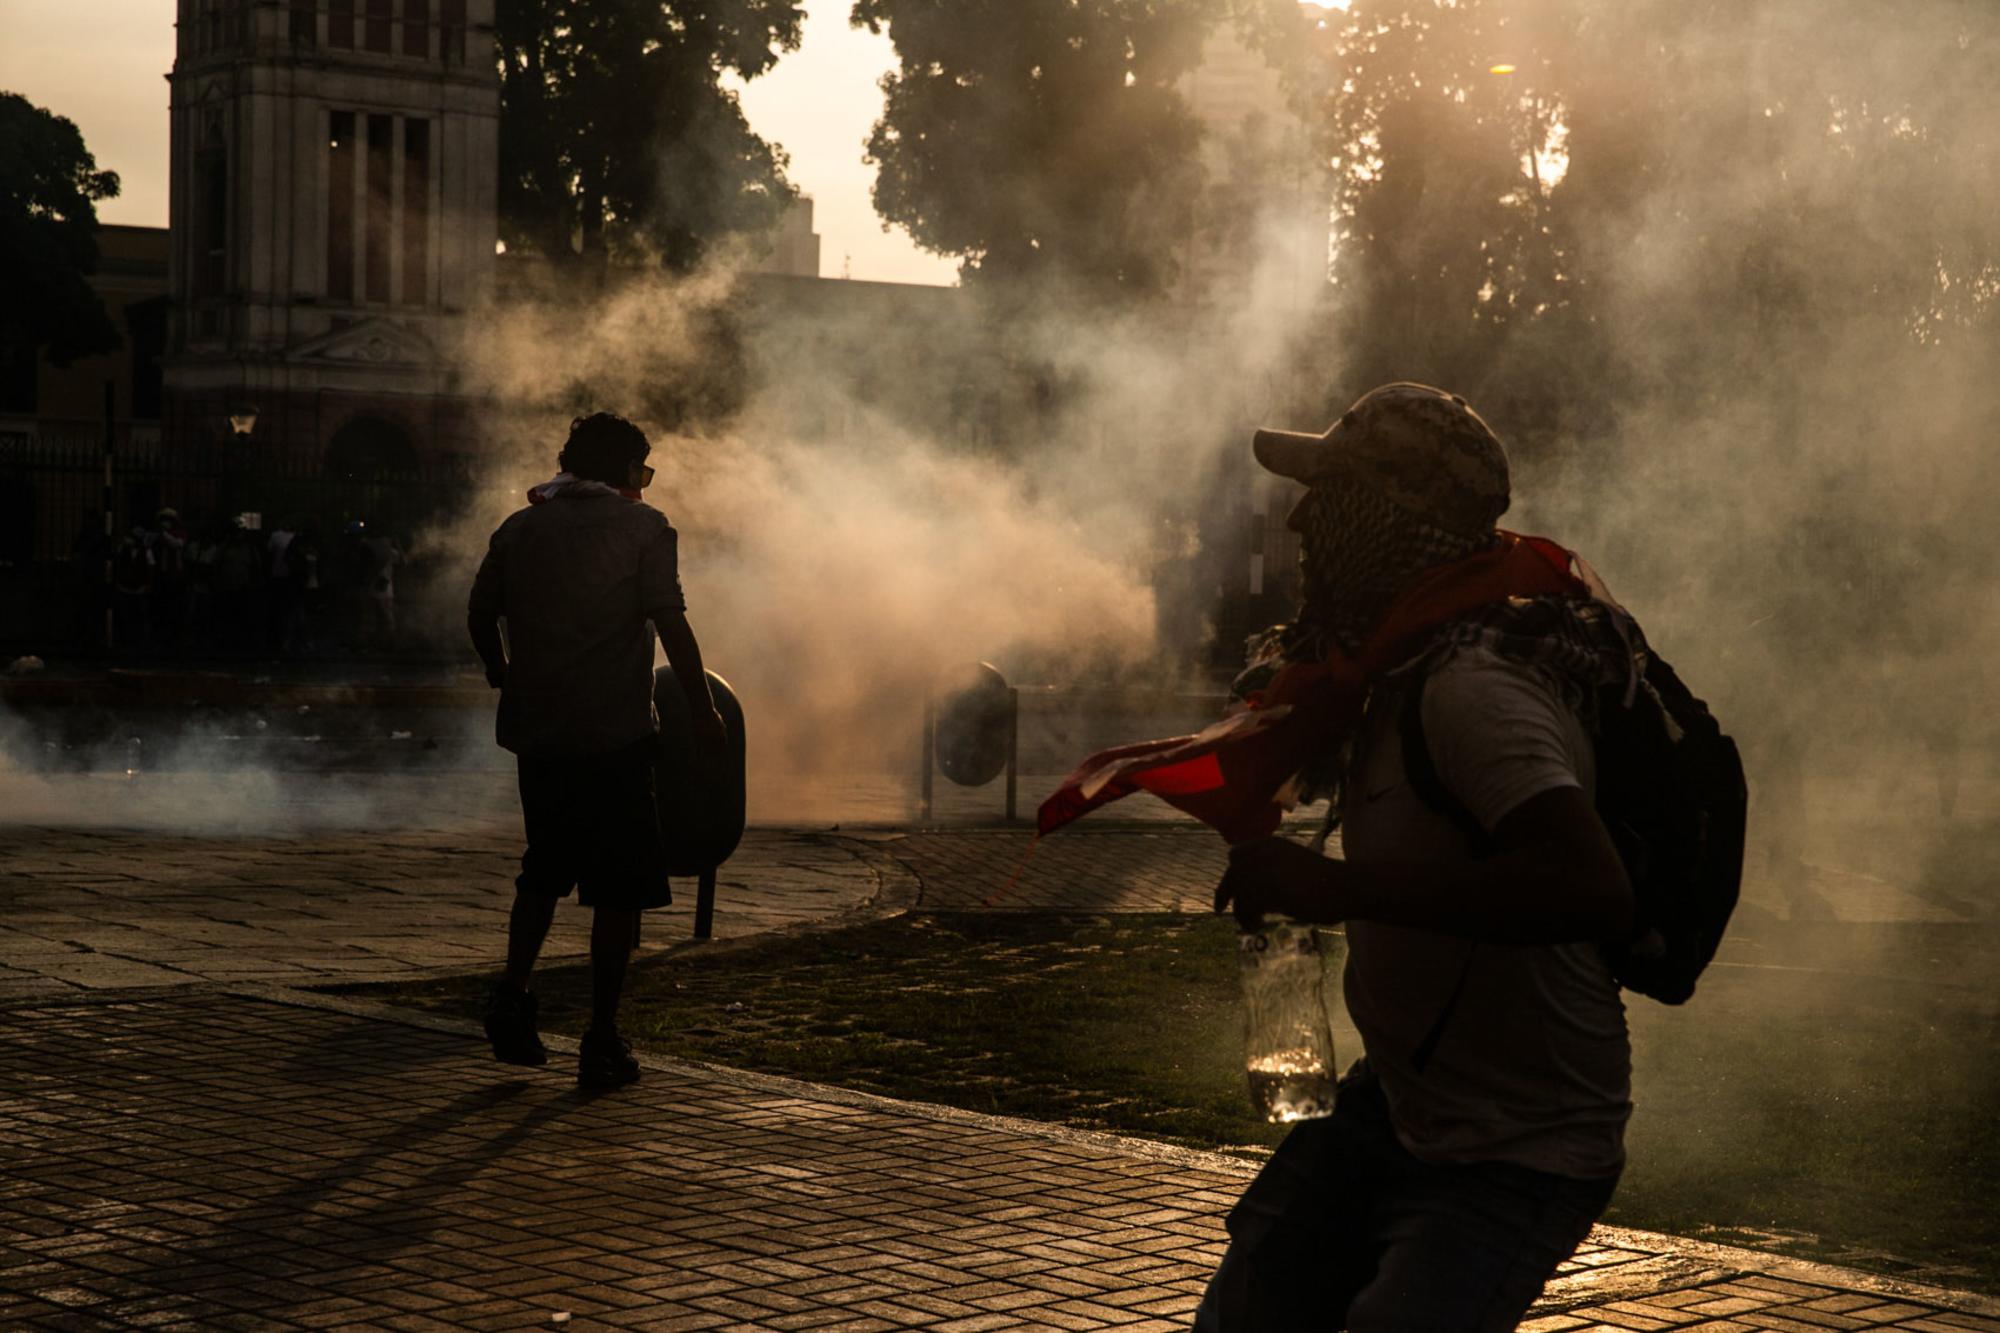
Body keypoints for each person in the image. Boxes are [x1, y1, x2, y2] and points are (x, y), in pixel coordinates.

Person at [1194, 384, 1638, 1331]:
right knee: (1243, 1314)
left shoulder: (1475, 688)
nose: (1304, 516)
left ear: (1397, 520)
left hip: (1521, 1144)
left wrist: (1337, 887)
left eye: (1334, 493)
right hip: (1397, 1103)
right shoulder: (1398, 665)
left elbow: (1589, 887)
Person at [468, 412, 725, 1090]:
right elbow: (671, 624)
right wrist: (702, 711)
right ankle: (601, 1036)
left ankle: (513, 994)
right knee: (618, 890)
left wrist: (502, 671)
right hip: (616, 734)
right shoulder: (644, 528)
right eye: (641, 470)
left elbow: (477, 612)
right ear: (625, 472)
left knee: (543, 869)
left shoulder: (520, 528)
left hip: (539, 733)